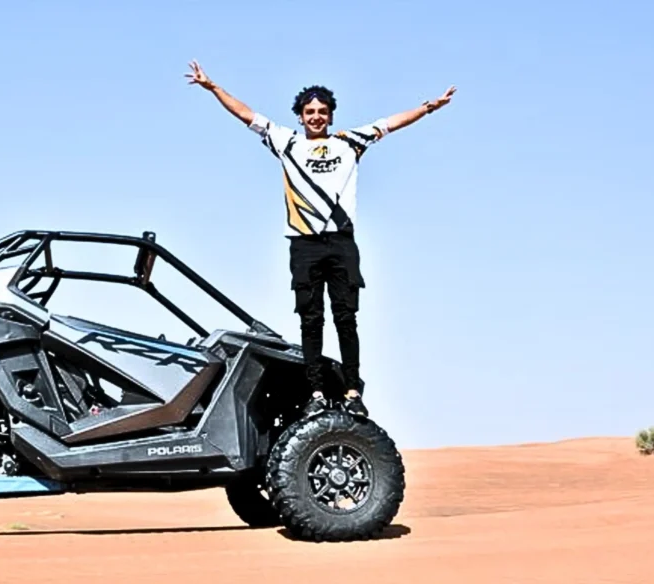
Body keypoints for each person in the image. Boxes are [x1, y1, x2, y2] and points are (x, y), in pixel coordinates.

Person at [185, 60, 455, 418]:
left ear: (331, 116)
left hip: (341, 243)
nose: (316, 117)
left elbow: (391, 123)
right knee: (310, 320)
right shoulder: (287, 143)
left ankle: (352, 391)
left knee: (346, 318)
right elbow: (247, 115)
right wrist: (213, 87)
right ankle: (314, 392)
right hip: (305, 245)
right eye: (309, 112)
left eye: (322, 112)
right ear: (300, 116)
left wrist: (428, 107)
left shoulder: (350, 143)